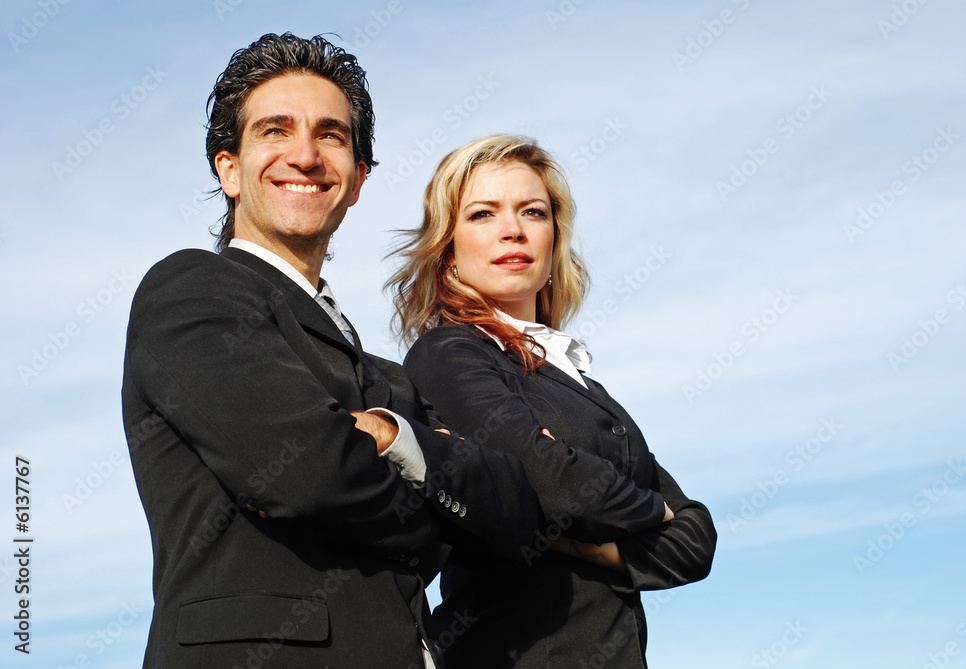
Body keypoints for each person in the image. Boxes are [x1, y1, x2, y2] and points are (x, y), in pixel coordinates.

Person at [122, 34, 541, 668]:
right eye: (275, 130)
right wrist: (436, 507)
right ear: (228, 169)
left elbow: (512, 508)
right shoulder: (191, 290)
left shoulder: (389, 379)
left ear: (358, 180)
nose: (305, 155)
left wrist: (390, 440)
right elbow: (309, 475)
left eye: (331, 135)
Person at [389, 134, 718, 668]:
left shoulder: (581, 382)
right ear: (448, 250)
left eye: (533, 212)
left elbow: (696, 542)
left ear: (553, 242)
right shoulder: (448, 353)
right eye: (482, 214)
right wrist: (652, 511)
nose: (512, 230)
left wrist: (591, 544)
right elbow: (552, 483)